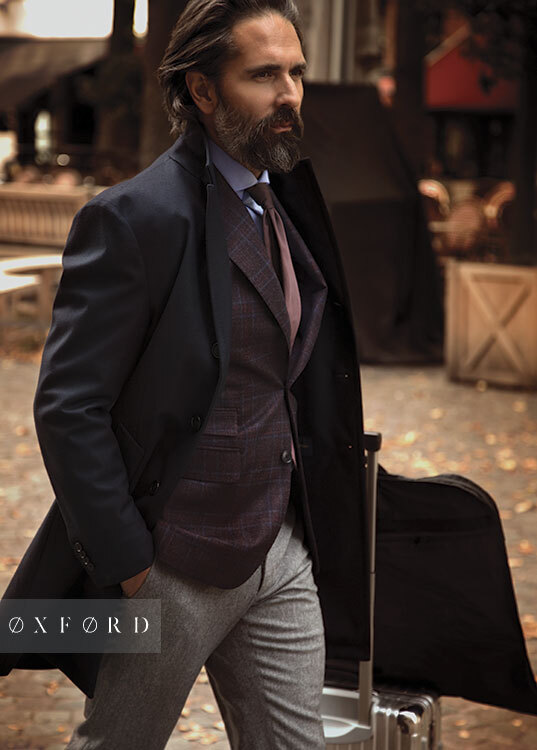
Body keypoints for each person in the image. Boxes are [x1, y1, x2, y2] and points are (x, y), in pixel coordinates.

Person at [0, 1, 369, 748]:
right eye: (263, 75)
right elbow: (69, 408)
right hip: (173, 566)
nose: (289, 94)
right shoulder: (134, 218)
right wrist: (134, 568)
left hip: (280, 551)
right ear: (202, 90)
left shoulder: (283, 198)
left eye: (295, 73)